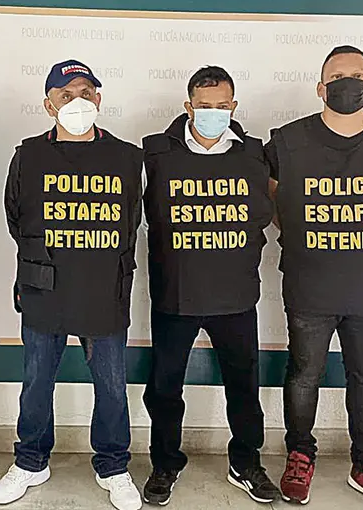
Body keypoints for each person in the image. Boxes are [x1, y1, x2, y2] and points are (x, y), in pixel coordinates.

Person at [266, 46, 363, 509]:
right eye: (337, 75)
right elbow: (276, 209)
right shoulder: (286, 141)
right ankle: (299, 455)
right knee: (304, 374)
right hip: (309, 287)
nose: (347, 83)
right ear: (320, 86)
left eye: (357, 76)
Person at [0, 60, 143, 510]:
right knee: (37, 381)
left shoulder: (126, 157)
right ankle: (31, 461)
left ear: (99, 98)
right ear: (48, 103)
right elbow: (16, 218)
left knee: (112, 386)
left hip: (103, 290)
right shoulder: (28, 155)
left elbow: (131, 223)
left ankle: (114, 466)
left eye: (86, 91)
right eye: (65, 94)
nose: (78, 101)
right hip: (44, 289)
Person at [140, 66, 277, 505]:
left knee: (243, 385)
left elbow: (266, 215)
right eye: (204, 107)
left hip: (236, 295)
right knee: (164, 386)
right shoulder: (155, 153)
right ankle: (164, 464)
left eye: (222, 107)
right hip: (174, 295)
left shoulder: (255, 154)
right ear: (188, 107)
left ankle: (246, 461)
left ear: (233, 107)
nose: (213, 113)